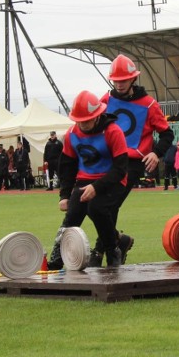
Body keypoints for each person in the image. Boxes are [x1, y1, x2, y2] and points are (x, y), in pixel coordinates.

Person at [100, 54, 173, 263]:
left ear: (133, 79)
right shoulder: (105, 101)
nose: (120, 84)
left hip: (132, 163)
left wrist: (156, 153)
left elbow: (167, 133)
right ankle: (118, 242)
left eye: (124, 80)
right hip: (108, 161)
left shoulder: (149, 104)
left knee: (110, 205)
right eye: (116, 80)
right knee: (98, 207)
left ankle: (102, 252)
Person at [47, 90, 129, 269]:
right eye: (79, 121)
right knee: (72, 216)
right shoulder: (71, 135)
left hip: (112, 180)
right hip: (85, 180)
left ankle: (112, 251)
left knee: (97, 208)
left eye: (87, 121)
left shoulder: (113, 132)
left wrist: (97, 187)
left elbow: (120, 169)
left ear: (97, 116)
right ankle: (57, 257)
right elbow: (67, 167)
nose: (82, 125)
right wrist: (64, 195)